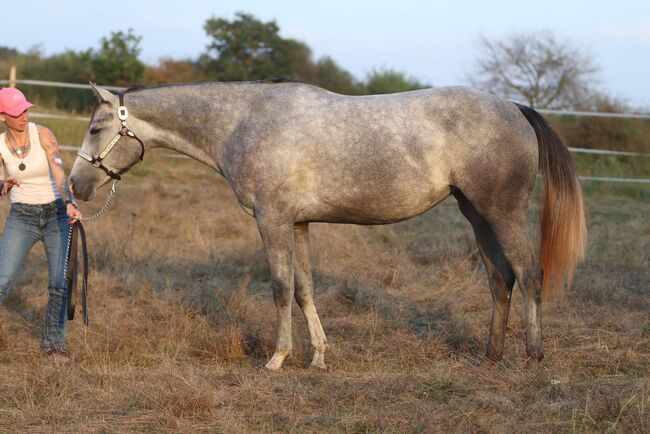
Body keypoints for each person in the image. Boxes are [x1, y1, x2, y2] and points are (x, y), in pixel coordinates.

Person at [0, 87, 81, 356]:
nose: (23, 116)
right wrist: (3, 183)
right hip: (22, 217)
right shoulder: (0, 145)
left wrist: (69, 202)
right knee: (2, 280)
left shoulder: (42, 134)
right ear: (2, 116)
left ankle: (54, 343)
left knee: (59, 282)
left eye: (24, 109)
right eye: (15, 112)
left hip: (55, 213)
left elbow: (59, 172)